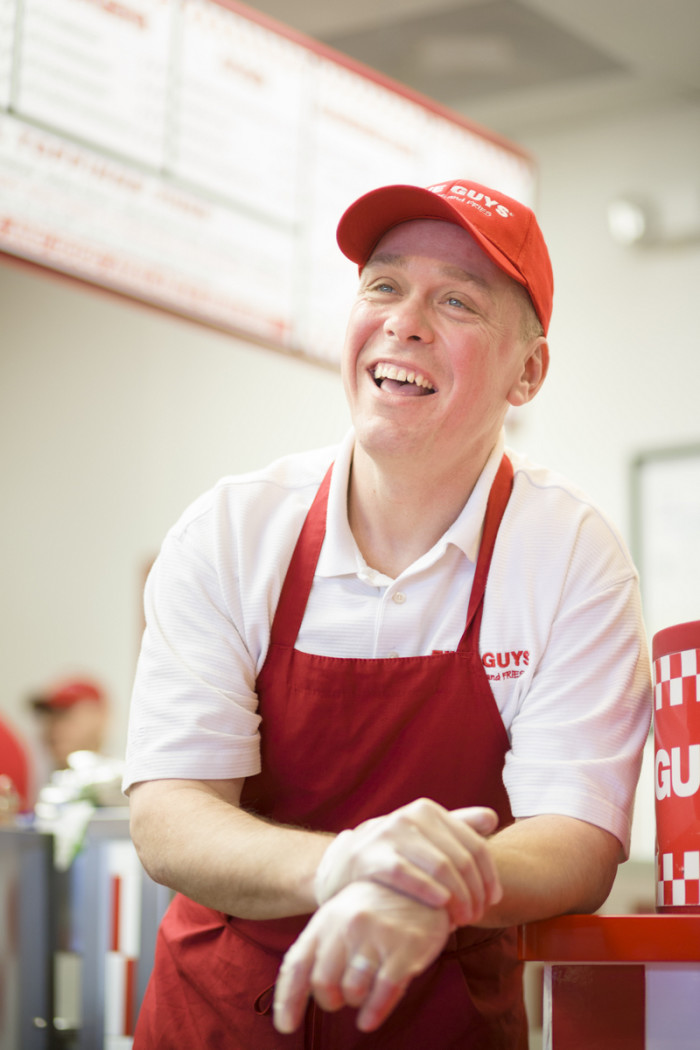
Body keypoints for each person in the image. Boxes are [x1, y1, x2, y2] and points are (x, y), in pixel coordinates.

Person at [124, 178, 651, 1048]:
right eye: (383, 285)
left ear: (529, 371)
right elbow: (171, 814)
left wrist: (425, 888)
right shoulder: (232, 529)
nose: (405, 320)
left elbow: (578, 840)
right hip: (221, 1015)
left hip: (441, 1019)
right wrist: (347, 863)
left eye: (456, 301)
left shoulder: (568, 553)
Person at [30, 678, 109, 772]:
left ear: (99, 716)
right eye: (49, 719)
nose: (55, 730)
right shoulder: (37, 781)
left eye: (65, 716)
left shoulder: (121, 781)